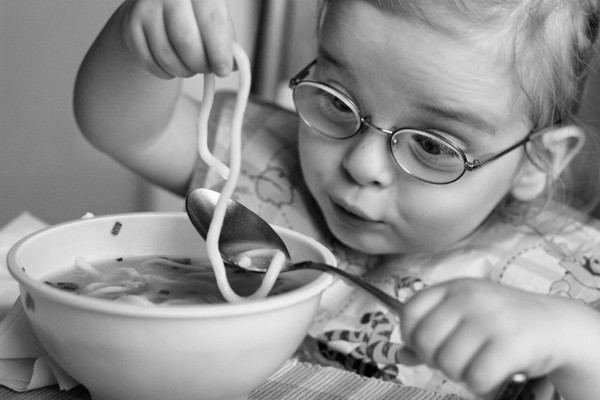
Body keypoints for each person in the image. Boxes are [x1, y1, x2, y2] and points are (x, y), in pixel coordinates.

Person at [73, 0, 600, 399]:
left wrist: (575, 342)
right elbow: (126, 128)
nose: (362, 165)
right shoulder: (265, 161)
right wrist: (139, 39)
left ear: (537, 162)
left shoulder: (564, 280)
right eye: (336, 101)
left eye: (434, 146)